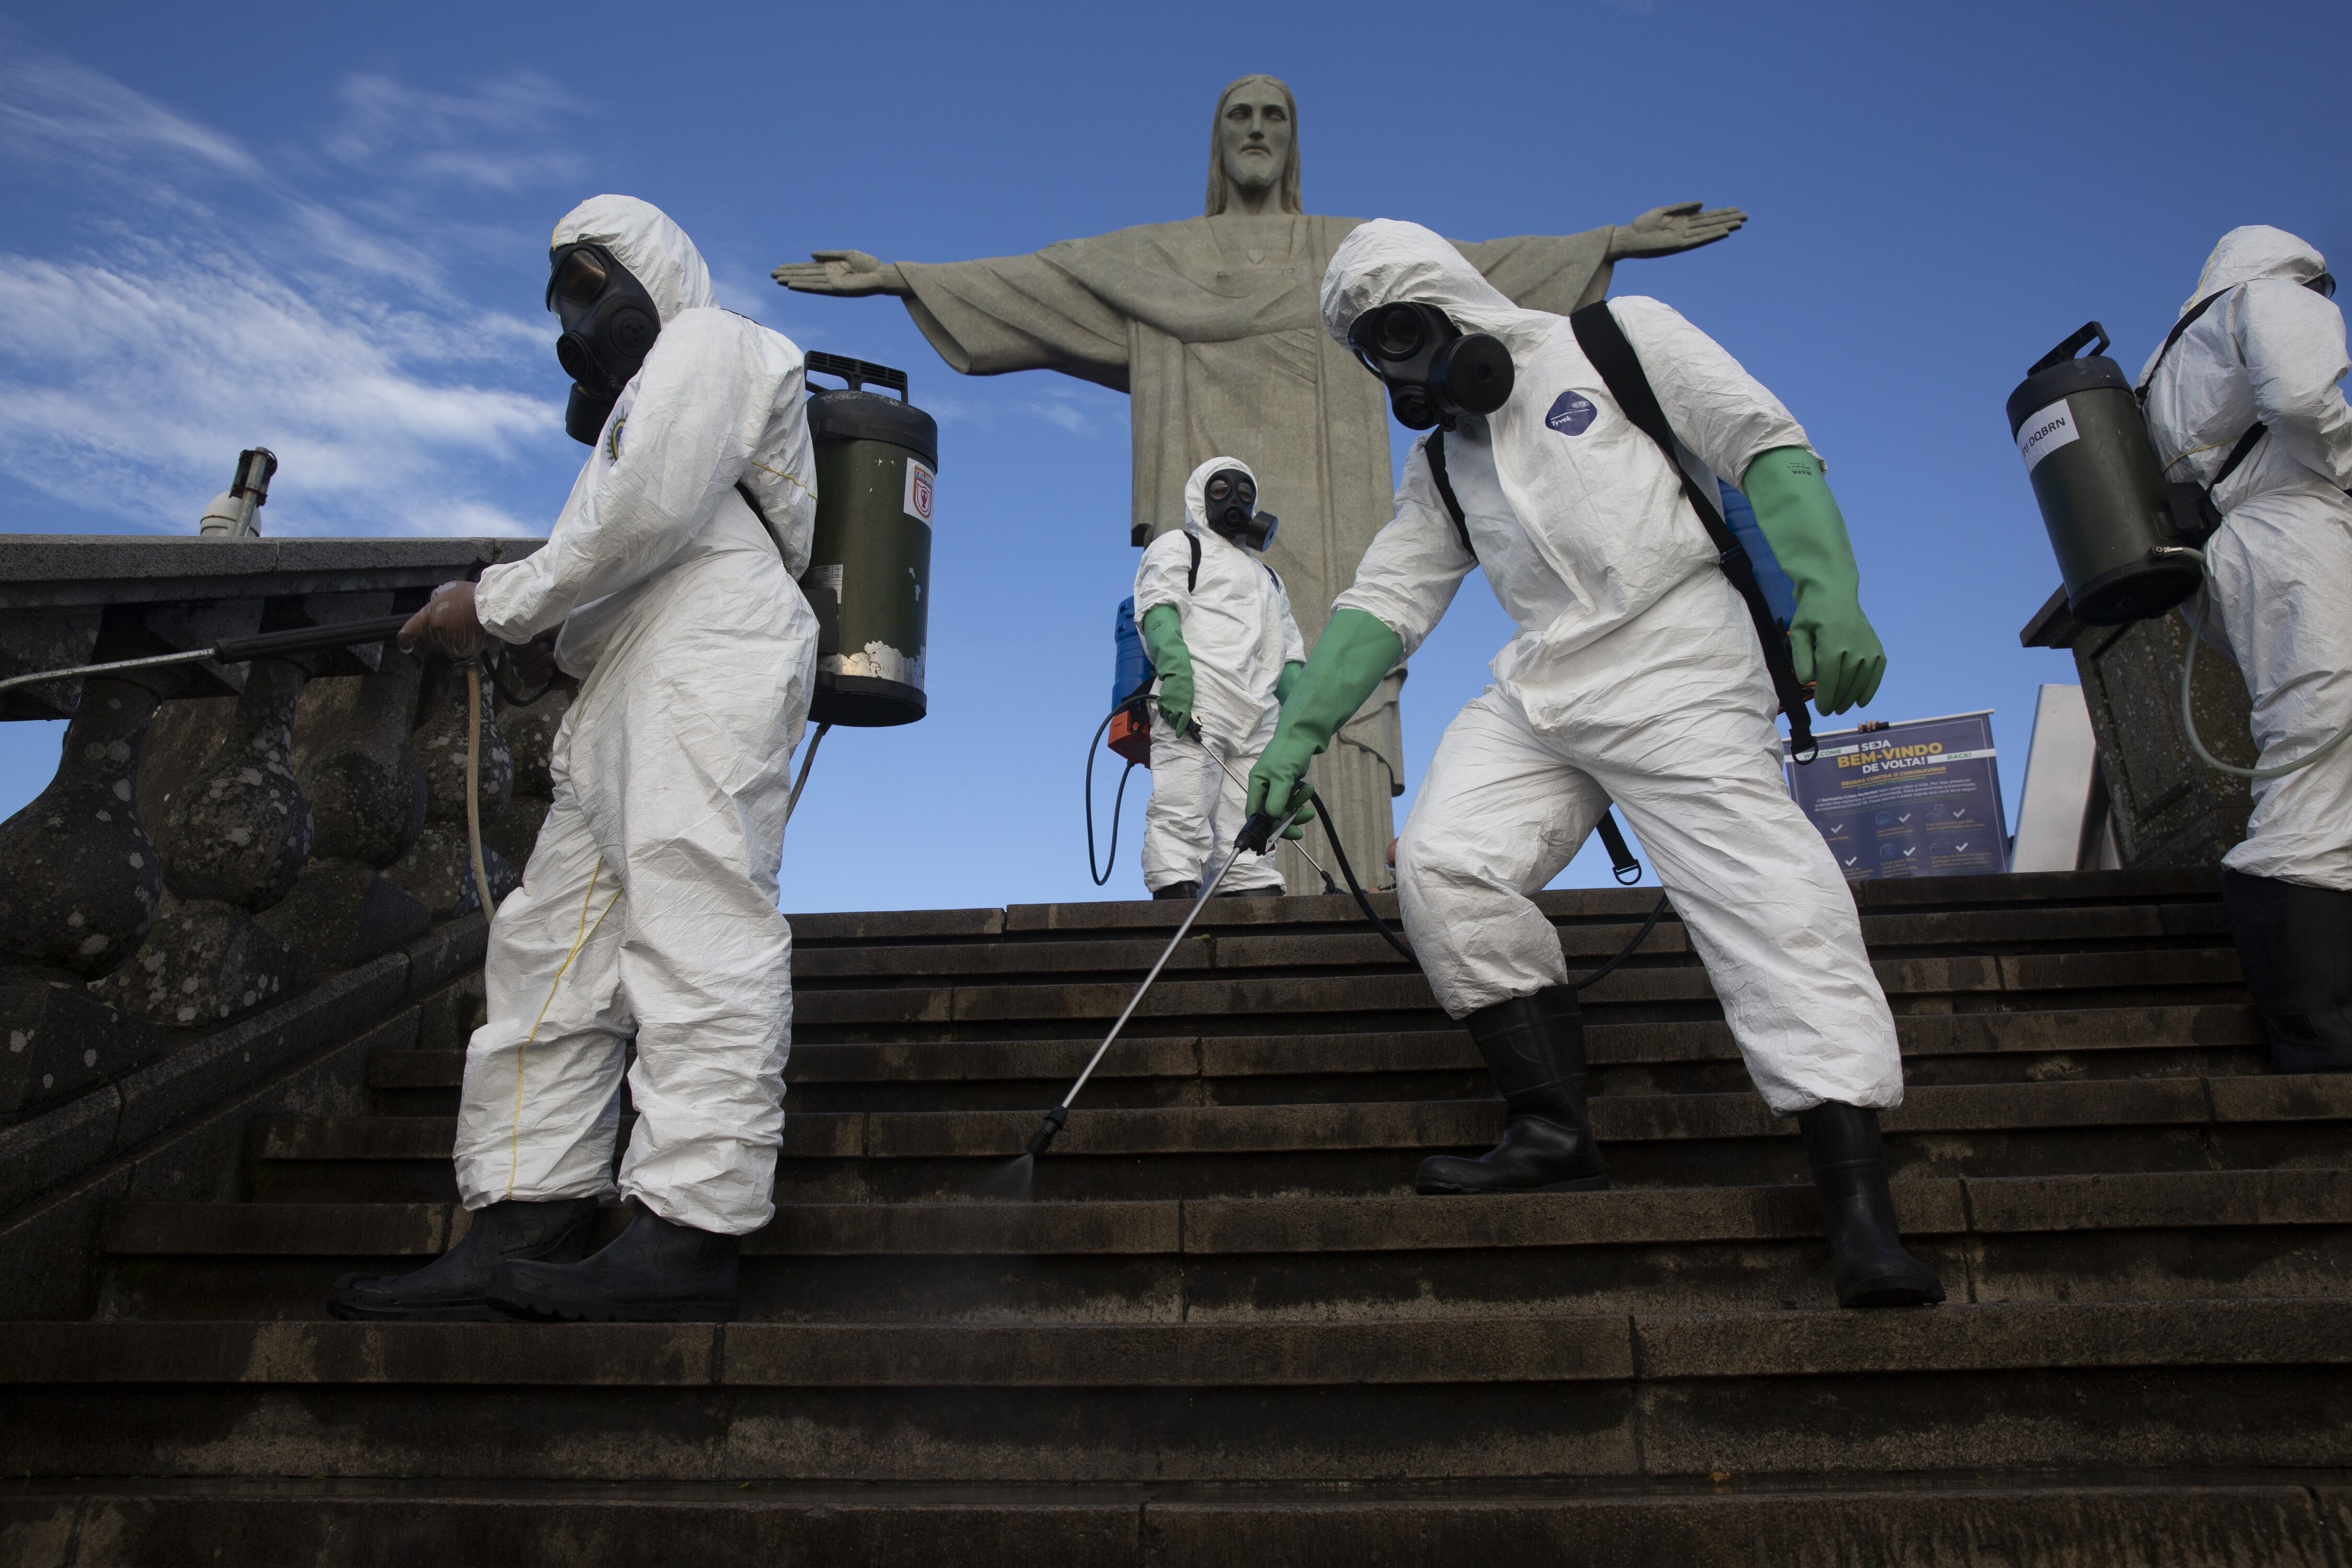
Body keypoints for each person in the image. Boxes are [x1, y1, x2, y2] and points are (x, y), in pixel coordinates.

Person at [1249, 220, 1940, 1309]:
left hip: (1679, 657)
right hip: (1542, 684)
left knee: (1769, 901)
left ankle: (1858, 1209)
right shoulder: (1443, 461)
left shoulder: (1618, 340)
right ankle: (1550, 1126)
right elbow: (1389, 597)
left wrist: (1828, 590)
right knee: (1444, 861)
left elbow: (1764, 443)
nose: (1413, 368)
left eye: (1411, 332)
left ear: (1456, 304)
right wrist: (1297, 733)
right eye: (1381, 352)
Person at [326, 194, 820, 1323]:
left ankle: (693, 1227)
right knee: (549, 943)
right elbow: (620, 547)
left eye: (593, 284)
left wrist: (494, 603)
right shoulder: (632, 412)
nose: (578, 313)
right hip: (629, 670)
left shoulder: (714, 342)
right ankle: (524, 1211)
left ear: (652, 274)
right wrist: (555, 639)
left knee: (696, 914)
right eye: (564, 295)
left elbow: (650, 510)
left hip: (713, 637)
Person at [2139, 225, 2352, 1073]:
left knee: (2318, 735)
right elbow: (2304, 401)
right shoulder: (2277, 298)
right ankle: (2316, 1026)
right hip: (2294, 528)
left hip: (2229, 551)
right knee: (2323, 735)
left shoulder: (2164, 360)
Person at [1135, 456, 1305, 900]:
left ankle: (1251, 895)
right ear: (1199, 497)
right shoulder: (1180, 546)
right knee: (1182, 806)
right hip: (1199, 701)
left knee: (1250, 821)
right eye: (1221, 491)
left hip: (1258, 715)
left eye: (1245, 494)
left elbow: (1287, 656)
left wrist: (1300, 729)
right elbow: (1159, 607)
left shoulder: (1270, 578)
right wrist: (1175, 674)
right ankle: (1174, 896)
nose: (1234, 502)